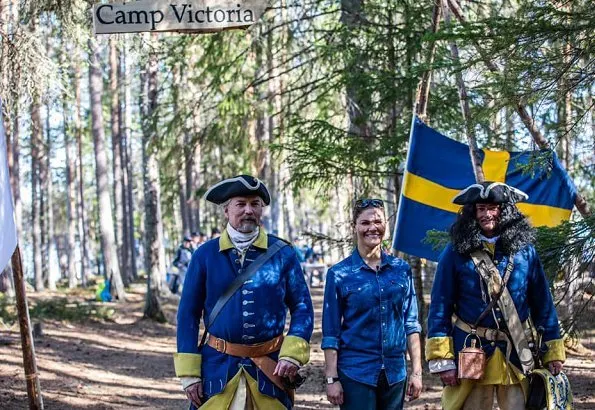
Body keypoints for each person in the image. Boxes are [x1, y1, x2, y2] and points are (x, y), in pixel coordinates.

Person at [174, 175, 314, 410]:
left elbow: (302, 308)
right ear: (226, 211)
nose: (248, 210)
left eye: (255, 204)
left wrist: (291, 355)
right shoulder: (204, 255)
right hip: (217, 368)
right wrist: (189, 373)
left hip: (269, 370)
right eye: (241, 204)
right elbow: (188, 314)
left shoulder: (283, 253)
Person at [426, 181, 566, 409]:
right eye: (481, 208)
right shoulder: (454, 253)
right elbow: (440, 306)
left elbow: (543, 304)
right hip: (471, 350)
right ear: (472, 213)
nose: (487, 214)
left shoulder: (525, 252)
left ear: (505, 211)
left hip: (517, 353)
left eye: (493, 208)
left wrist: (552, 352)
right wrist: (443, 359)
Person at [322, 198, 423, 410]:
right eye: (365, 223)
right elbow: (331, 332)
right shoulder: (339, 274)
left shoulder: (401, 269)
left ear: (386, 224)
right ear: (355, 226)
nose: (372, 228)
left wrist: (416, 372)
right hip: (355, 372)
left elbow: (411, 323)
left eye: (377, 222)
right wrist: (332, 379)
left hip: (395, 373)